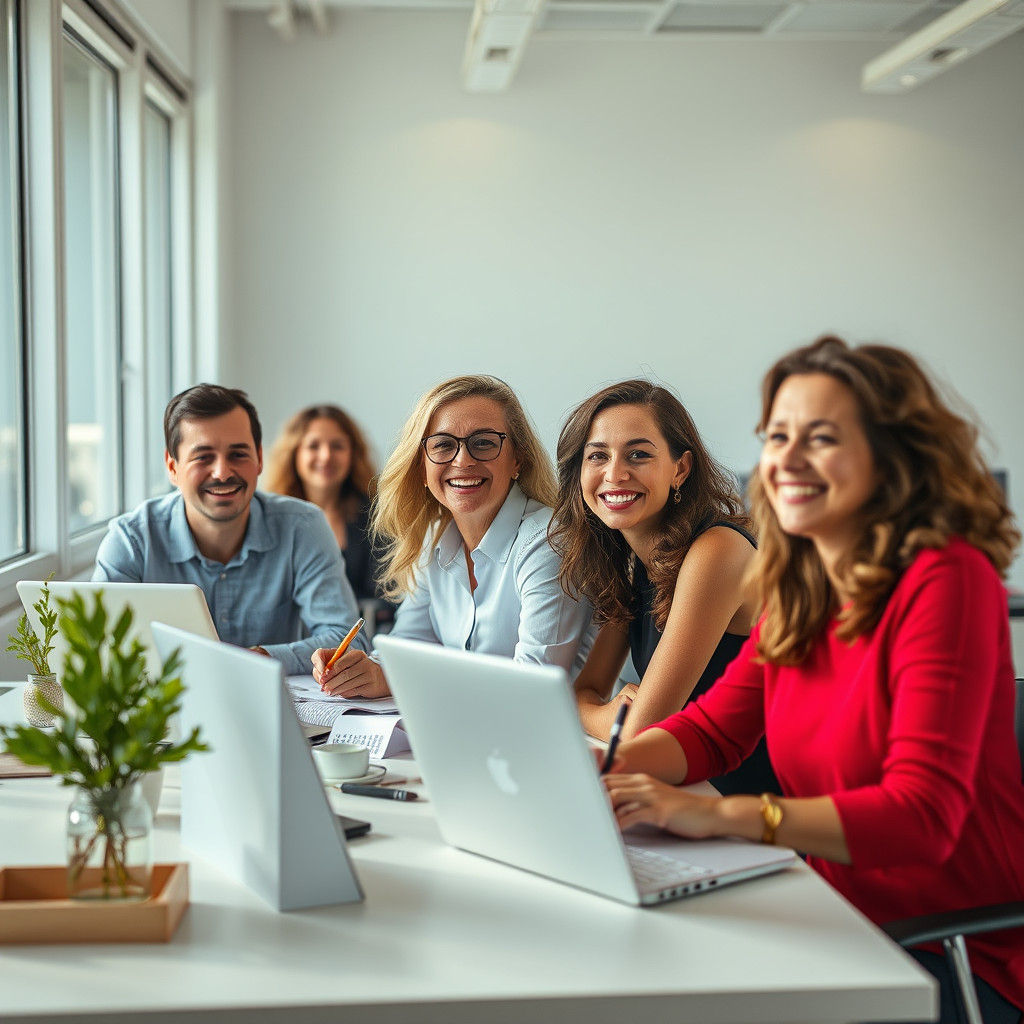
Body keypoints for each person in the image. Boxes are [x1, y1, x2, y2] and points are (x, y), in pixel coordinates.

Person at [602, 337, 1024, 1022]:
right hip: (829, 914)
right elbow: (713, 731)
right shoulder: (806, 580)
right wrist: (594, 767)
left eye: (820, 438)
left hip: (955, 951)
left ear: (892, 457)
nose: (785, 460)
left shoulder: (947, 580)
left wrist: (715, 814)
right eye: (776, 436)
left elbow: (922, 816)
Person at [549, 380, 777, 796]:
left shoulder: (717, 550)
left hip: (757, 810)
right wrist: (600, 710)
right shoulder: (637, 564)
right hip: (687, 790)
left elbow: (638, 730)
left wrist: (600, 713)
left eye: (638, 454)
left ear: (681, 468)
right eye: (597, 456)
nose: (615, 473)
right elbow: (584, 690)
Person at [312, 374, 594, 697]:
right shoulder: (434, 539)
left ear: (518, 458)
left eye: (484, 443)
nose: (462, 460)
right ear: (422, 468)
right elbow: (408, 645)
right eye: (443, 445)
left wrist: (410, 679)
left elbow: (531, 687)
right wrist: (367, 672)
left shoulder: (548, 541)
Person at [93, 384, 367, 674]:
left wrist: (258, 658)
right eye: (203, 457)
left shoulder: (303, 527)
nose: (222, 472)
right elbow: (95, 644)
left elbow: (348, 639)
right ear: (172, 467)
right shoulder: (131, 539)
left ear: (259, 458)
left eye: (238, 454)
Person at [264, 404, 385, 605]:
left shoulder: (376, 515)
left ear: (352, 454)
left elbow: (386, 596)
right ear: (294, 454)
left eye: (337, 446)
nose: (326, 456)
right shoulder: (271, 517)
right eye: (313, 446)